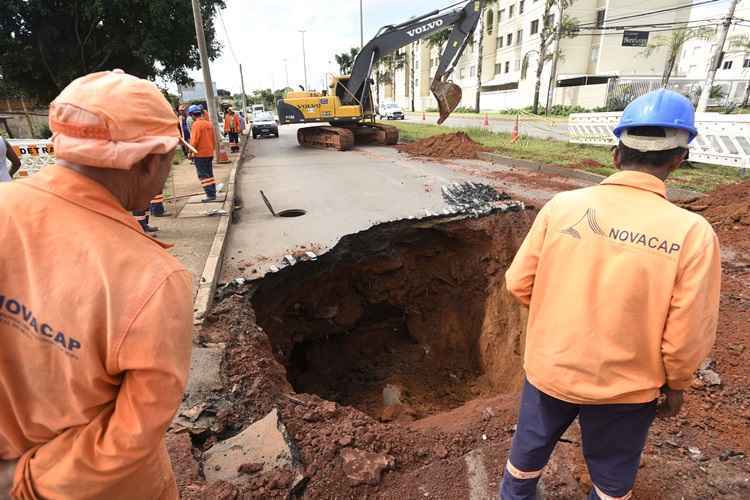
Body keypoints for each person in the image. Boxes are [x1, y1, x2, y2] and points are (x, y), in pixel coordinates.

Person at [500, 89, 721, 500]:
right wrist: (677, 383)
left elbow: (518, 283)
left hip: (553, 369)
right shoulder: (692, 233)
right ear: (679, 159)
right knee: (612, 476)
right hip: (627, 386)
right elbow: (687, 332)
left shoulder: (562, 207)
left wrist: (562, 310)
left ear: (616, 155)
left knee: (527, 454)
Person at [0, 70, 193, 499]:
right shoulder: (154, 278)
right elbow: (131, 434)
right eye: (170, 158)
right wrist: (26, 480)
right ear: (148, 160)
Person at [188, 104, 217, 202]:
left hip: (200, 154)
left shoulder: (196, 125)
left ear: (192, 115)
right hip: (209, 152)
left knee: (203, 175)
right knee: (209, 173)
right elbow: (213, 139)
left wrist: (190, 152)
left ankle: (210, 195)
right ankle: (213, 192)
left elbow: (194, 141)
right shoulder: (208, 124)